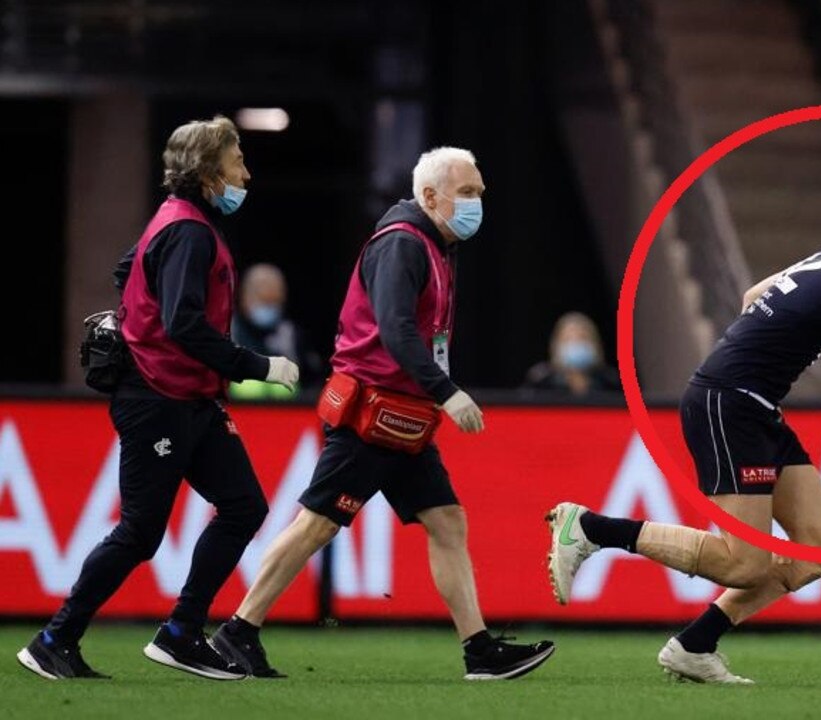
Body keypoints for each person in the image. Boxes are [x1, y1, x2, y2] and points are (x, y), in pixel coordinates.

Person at [548, 169, 821, 684]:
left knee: (817, 545)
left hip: (752, 402)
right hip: (731, 402)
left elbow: (754, 294)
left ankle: (694, 646)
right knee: (742, 563)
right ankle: (591, 529)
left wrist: (780, 345)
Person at [211, 146, 555, 681]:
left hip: (403, 416)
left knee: (446, 521)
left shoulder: (437, 245)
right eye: (467, 193)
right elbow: (395, 330)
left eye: (479, 193)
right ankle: (238, 629)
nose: (477, 203)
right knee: (317, 525)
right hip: (372, 411)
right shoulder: (403, 244)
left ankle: (479, 650)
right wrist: (447, 392)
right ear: (429, 196)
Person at [16, 116, 300, 681]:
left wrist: (137, 320)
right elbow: (183, 326)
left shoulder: (180, 222)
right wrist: (258, 365)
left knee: (244, 507)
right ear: (209, 171)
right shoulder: (191, 231)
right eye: (237, 159)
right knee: (142, 532)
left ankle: (181, 631)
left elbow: (131, 270)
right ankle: (56, 639)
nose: (246, 170)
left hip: (184, 396)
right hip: (158, 397)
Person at [228, 263, 323, 400]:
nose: (268, 308)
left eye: (273, 302)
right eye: (262, 301)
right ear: (244, 297)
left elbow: (314, 384)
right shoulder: (226, 333)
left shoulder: (293, 336)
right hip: (235, 416)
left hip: (287, 417)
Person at [522, 311, 622, 396]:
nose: (576, 343)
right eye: (568, 339)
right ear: (556, 345)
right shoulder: (541, 380)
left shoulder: (609, 380)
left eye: (582, 338)